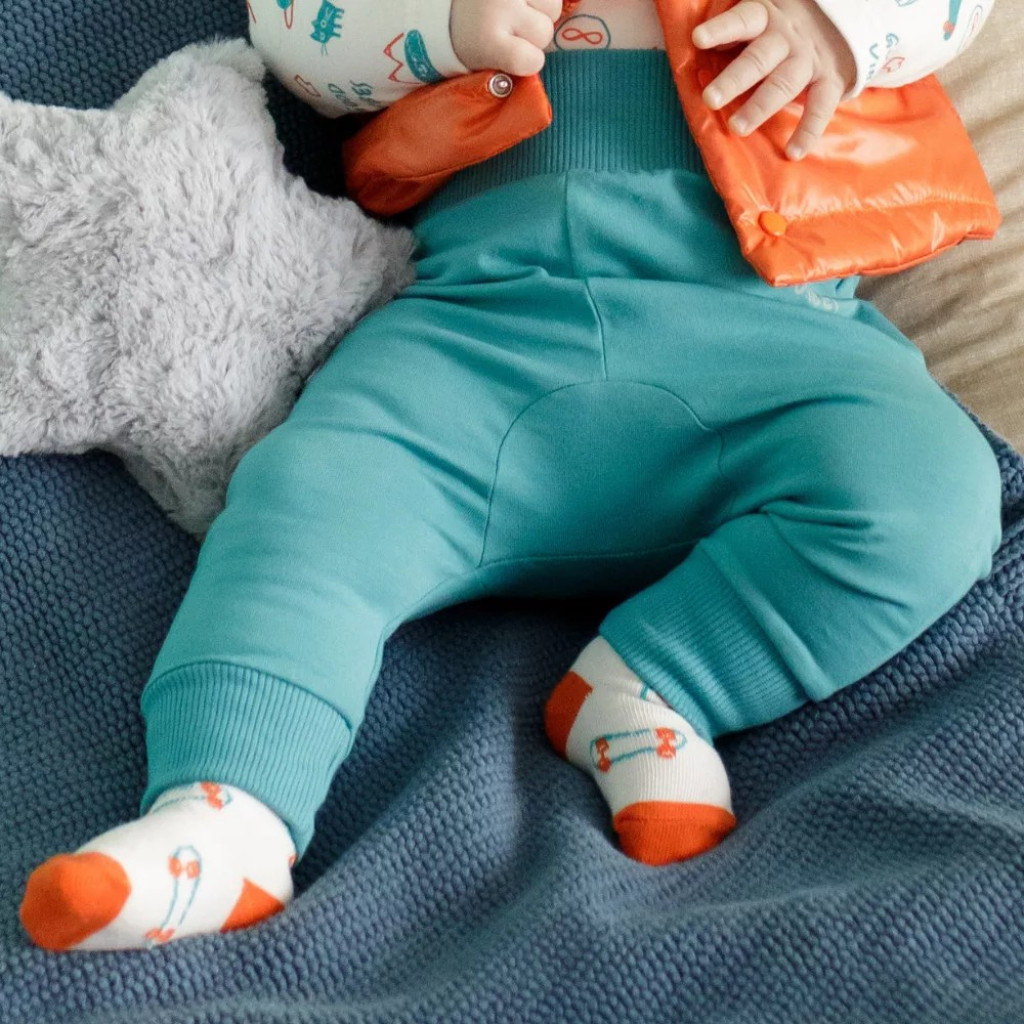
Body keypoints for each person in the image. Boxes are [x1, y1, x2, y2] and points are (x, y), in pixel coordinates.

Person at [21, 0, 1001, 951]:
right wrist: (442, 26)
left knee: (929, 489)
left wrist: (831, 24)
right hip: (479, 336)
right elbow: (295, 28)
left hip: (773, 334)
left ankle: (663, 679)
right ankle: (227, 808)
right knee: (309, 498)